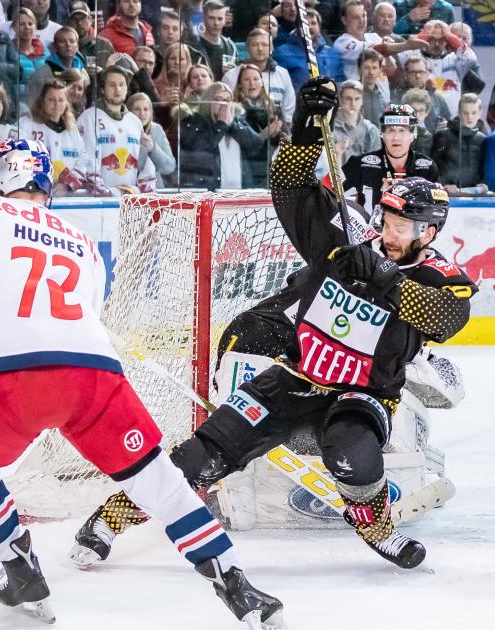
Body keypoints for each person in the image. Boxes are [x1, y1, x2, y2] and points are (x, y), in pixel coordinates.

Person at [0, 137, 285, 627]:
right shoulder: (80, 242)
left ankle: (18, 566)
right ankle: (236, 581)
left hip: (10, 381)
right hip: (96, 376)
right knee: (159, 483)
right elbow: (60, 318)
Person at [164, 77, 474, 569]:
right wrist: (307, 128)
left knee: (353, 453)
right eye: (388, 222)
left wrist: (383, 275)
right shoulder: (348, 241)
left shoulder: (443, 277)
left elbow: (444, 317)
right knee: (202, 455)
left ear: (430, 231)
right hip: (294, 378)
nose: (390, 234)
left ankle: (373, 522)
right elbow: (287, 186)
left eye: (403, 228)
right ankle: (110, 520)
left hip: (362, 395)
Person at [14, 79, 105, 195]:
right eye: (51, 99)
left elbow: (83, 159)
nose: (57, 104)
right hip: (34, 196)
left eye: (61, 100)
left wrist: (67, 184)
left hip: (65, 199)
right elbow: (18, 157)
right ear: (42, 101)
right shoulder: (26, 125)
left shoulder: (72, 130)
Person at [343, 103, 439, 211]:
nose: (396, 137)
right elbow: (328, 189)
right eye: (391, 130)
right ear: (382, 134)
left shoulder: (427, 167)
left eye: (402, 130)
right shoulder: (360, 164)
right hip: (369, 227)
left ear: (413, 134)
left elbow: (438, 207)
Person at [77, 66, 158, 193]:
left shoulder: (134, 121)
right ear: (103, 89)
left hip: (129, 198)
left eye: (122, 85)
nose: (117, 89)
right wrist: (103, 192)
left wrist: (146, 188)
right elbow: (86, 159)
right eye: (112, 85)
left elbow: (143, 162)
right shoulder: (88, 118)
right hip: (100, 201)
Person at [223, 29, 296, 125]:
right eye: (254, 45)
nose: (260, 48)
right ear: (247, 48)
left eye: (265, 45)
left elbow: (288, 110)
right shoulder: (231, 75)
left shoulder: (283, 74)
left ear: (271, 48)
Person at [412, 20, 477, 119]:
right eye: (432, 40)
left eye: (441, 40)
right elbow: (405, 52)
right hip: (424, 119)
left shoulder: (455, 59)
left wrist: (449, 35)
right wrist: (424, 34)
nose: (437, 44)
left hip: (453, 121)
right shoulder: (416, 58)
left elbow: (471, 58)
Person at [237, 64, 287, 186]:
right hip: (248, 170)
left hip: (273, 170)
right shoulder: (236, 110)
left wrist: (278, 134)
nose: (251, 83)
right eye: (246, 79)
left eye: (255, 79)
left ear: (262, 82)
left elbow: (285, 141)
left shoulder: (274, 108)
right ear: (239, 85)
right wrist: (264, 134)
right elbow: (243, 146)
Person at [432, 92, 487, 194]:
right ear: (459, 113)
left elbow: (484, 168)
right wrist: (443, 184)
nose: (469, 117)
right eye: (465, 113)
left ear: (480, 113)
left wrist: (483, 183)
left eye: (474, 113)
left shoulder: (482, 139)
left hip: (475, 195)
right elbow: (434, 165)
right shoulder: (443, 136)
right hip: (448, 193)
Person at [184, 0, 233, 80]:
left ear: (225, 20)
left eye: (220, 19)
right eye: (211, 18)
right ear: (203, 18)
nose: (216, 23)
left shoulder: (230, 47)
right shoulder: (191, 47)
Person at [334, 79, 381, 162]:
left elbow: (375, 164)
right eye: (348, 99)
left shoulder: (371, 131)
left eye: (357, 99)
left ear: (362, 101)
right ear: (340, 100)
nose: (353, 103)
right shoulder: (329, 128)